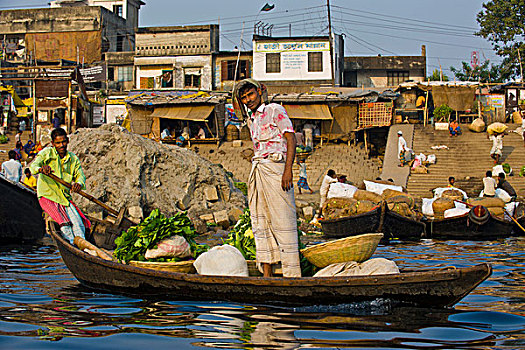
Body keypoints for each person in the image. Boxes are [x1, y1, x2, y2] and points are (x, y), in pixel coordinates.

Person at [235, 78, 300, 278]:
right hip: (260, 170)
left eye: (250, 94)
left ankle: (292, 274)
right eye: (244, 97)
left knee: (284, 220)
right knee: (261, 221)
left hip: (276, 169)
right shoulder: (251, 119)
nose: (248, 99)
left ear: (259, 92)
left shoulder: (274, 109)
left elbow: (290, 138)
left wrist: (288, 170)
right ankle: (267, 275)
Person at [29, 128, 91, 244]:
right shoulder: (47, 153)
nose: (61, 145)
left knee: (78, 223)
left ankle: (83, 246)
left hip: (64, 197)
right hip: (48, 195)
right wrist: (41, 169)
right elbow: (33, 167)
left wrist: (79, 184)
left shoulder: (72, 158)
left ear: (67, 141)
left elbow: (80, 175)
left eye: (63, 142)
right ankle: (72, 243)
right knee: (64, 224)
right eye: (58, 143)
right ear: (53, 144)